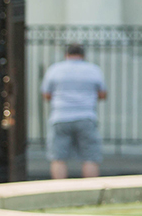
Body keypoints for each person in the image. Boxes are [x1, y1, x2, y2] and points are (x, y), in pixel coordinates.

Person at [41, 43, 107, 179]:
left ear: (66, 54)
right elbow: (102, 94)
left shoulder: (55, 69)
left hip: (60, 116)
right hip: (86, 116)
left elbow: (46, 94)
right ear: (83, 55)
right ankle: (92, 191)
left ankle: (60, 191)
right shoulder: (93, 70)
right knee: (90, 157)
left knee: (58, 157)